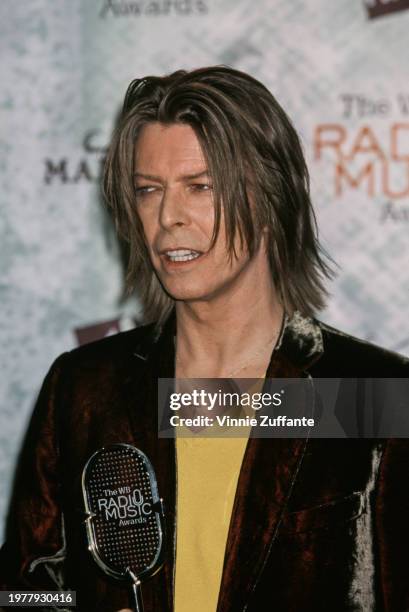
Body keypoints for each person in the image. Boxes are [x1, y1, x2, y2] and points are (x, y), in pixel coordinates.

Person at [1, 65, 408, 612]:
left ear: (269, 196)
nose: (168, 216)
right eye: (149, 190)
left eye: (200, 186)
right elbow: (24, 593)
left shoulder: (371, 393)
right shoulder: (86, 388)